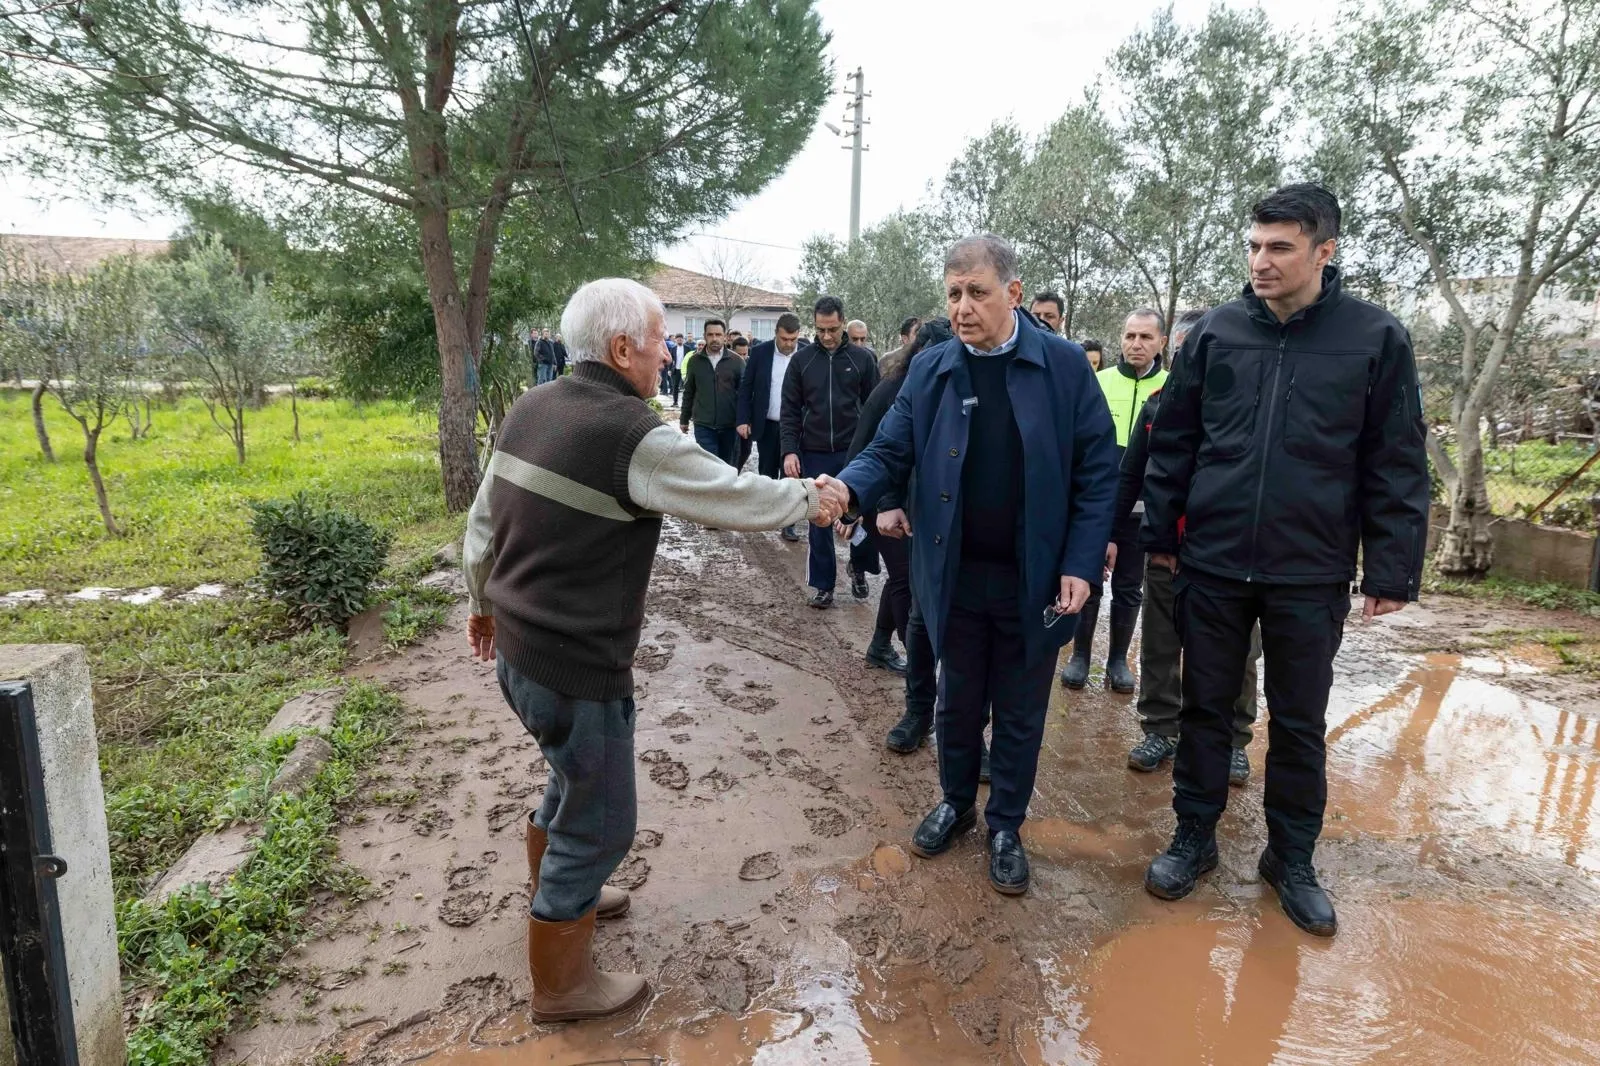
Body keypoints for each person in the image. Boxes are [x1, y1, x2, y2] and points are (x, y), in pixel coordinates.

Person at [463, 278, 842, 1022]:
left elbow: (482, 521)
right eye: (660, 338)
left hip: (517, 649)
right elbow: (729, 495)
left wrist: (480, 605)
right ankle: (562, 987)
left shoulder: (531, 406)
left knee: (571, 775)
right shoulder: (631, 433)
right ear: (620, 349)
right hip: (576, 665)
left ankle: (559, 889)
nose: (668, 352)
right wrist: (810, 499)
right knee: (603, 820)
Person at [1138, 183, 1429, 937]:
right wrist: (1161, 537)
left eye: (1279, 247)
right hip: (1214, 561)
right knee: (1205, 710)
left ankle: (1291, 858)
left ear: (1324, 251)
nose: (1260, 261)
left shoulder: (1374, 338)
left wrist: (1392, 568)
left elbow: (1396, 456)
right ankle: (1193, 837)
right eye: (1254, 246)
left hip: (1311, 568)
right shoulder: (1216, 332)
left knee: (1299, 722)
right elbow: (1175, 441)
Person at [823, 235, 1118, 897]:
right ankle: (956, 803)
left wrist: (1079, 561)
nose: (962, 307)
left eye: (977, 292)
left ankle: (1006, 825)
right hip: (953, 573)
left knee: (1019, 710)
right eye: (953, 294)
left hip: (1033, 578)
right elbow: (889, 448)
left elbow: (1099, 472)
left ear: (1013, 293)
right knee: (956, 701)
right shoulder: (932, 370)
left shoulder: (1064, 367)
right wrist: (848, 488)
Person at [1115, 308, 1261, 784]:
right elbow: (1131, 475)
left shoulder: (1250, 406)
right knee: (1160, 643)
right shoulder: (1157, 406)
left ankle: (1234, 740)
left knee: (1239, 651)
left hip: (1231, 556)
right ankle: (1160, 728)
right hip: (1167, 549)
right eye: (1185, 351)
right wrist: (1110, 535)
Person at [1060, 309, 1168, 694]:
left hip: (1143, 508)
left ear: (1161, 342)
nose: (1136, 344)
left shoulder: (1172, 388)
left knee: (1129, 585)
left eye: (1146, 337)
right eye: (1129, 336)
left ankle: (1118, 659)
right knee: (1088, 576)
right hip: (1096, 504)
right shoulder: (1099, 381)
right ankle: (1080, 655)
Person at [860, 318, 955, 750]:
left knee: (972, 632)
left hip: (976, 529)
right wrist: (879, 501)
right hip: (923, 519)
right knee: (919, 617)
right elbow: (887, 450)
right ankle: (918, 712)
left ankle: (972, 731)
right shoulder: (905, 389)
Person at [781, 296, 881, 608]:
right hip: (815, 451)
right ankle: (823, 585)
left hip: (855, 452)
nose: (826, 336)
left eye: (833, 329)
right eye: (821, 329)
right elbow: (789, 411)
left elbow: (875, 409)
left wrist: (873, 449)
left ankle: (859, 568)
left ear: (843, 323)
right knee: (819, 518)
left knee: (860, 514)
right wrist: (789, 451)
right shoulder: (802, 361)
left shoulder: (863, 360)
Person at [736, 312, 805, 542]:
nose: (789, 344)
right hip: (767, 424)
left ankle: (788, 523)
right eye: (784, 339)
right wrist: (743, 419)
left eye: (793, 339)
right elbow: (746, 388)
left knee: (791, 473)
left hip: (796, 427)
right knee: (766, 471)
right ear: (776, 334)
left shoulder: (807, 353)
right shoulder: (760, 352)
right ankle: (767, 514)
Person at [678, 319, 743, 467]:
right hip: (704, 425)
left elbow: (745, 395)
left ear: (725, 336)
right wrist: (684, 418)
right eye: (710, 334)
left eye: (718, 334)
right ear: (704, 336)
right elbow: (689, 391)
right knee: (708, 468)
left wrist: (744, 420)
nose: (714, 338)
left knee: (727, 467)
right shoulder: (695, 361)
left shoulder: (736, 361)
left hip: (730, 426)